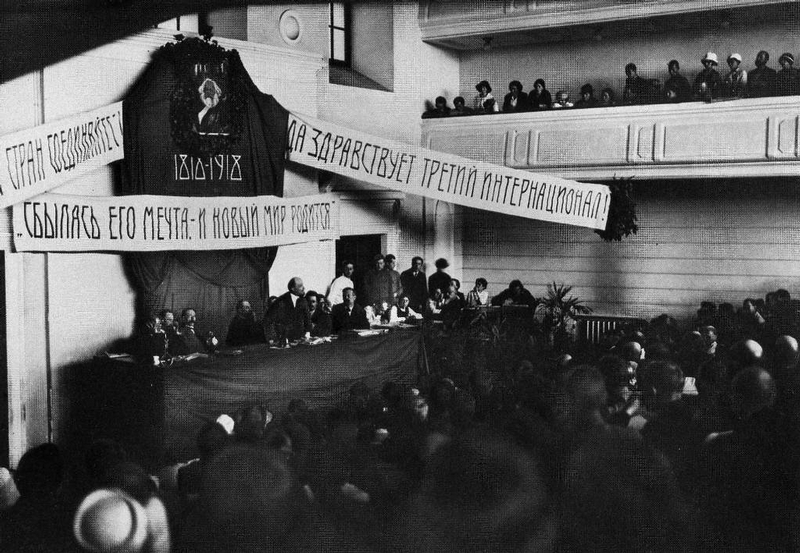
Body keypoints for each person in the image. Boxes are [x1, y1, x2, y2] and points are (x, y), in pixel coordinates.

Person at [262, 277, 311, 342]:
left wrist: (307, 332)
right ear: (293, 288)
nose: (303, 288)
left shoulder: (303, 301)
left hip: (300, 340)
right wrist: (272, 338)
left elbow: (307, 319)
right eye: (300, 286)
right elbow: (268, 320)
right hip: (283, 341)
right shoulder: (280, 301)